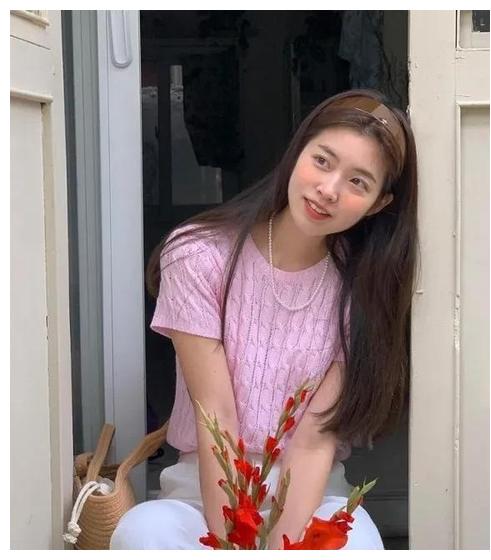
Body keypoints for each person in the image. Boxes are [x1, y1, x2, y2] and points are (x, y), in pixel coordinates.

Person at [110, 88, 419, 550]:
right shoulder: (198, 254)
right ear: (297, 154)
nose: (329, 189)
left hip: (313, 497)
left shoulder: (363, 289)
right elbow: (216, 415)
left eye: (358, 182)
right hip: (202, 492)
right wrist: (233, 545)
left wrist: (280, 549)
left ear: (378, 203)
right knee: (141, 533)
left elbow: (313, 441)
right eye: (322, 161)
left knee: (360, 546)